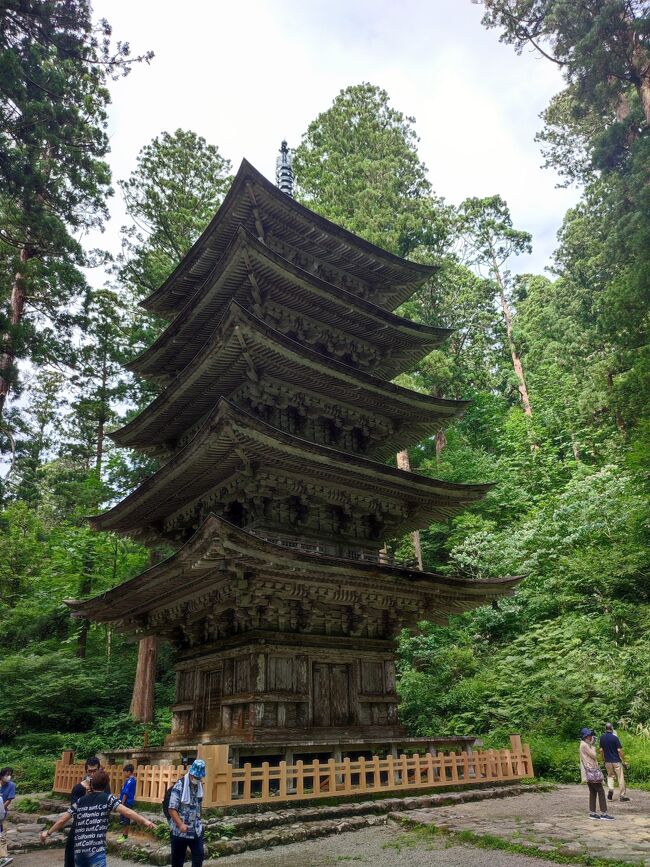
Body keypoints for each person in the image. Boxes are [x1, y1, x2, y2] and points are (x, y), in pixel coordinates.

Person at [40, 769, 154, 867]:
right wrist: (146, 821)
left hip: (79, 850)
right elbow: (127, 812)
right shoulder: (108, 799)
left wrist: (48, 833)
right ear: (106, 785)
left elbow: (62, 820)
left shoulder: (81, 801)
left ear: (91, 784)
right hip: (96, 850)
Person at [65, 756, 105, 867]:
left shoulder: (103, 788)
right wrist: (86, 796)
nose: (92, 774)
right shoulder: (78, 789)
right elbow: (74, 812)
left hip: (95, 833)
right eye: (90, 771)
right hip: (78, 831)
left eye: (95, 771)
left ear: (99, 769)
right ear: (86, 771)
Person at [167, 758, 206, 867]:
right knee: (177, 861)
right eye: (196, 777)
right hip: (180, 831)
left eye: (200, 777)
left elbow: (199, 804)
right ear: (191, 773)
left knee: (199, 857)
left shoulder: (199, 786)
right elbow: (171, 808)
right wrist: (180, 824)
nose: (198, 779)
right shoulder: (180, 785)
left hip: (195, 830)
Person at [580, 727, 614, 820]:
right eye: (589, 735)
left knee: (593, 792)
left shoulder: (584, 744)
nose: (591, 737)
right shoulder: (585, 745)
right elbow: (594, 756)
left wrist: (591, 744)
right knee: (601, 791)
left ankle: (592, 812)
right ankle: (604, 813)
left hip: (589, 771)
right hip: (591, 770)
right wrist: (593, 746)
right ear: (585, 737)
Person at [599, 722, 630, 802]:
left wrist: (603, 759)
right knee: (620, 778)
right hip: (616, 761)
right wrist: (624, 760)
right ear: (612, 728)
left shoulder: (602, 738)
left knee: (610, 776)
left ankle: (611, 789)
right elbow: (619, 750)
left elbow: (601, 750)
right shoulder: (615, 738)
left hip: (607, 761)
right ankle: (622, 796)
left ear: (605, 729)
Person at [116, 764, 137, 842]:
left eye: (124, 772)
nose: (124, 774)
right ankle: (124, 835)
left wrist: (122, 803)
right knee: (125, 819)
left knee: (126, 820)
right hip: (128, 802)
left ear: (128, 772)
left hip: (127, 802)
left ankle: (125, 836)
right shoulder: (132, 780)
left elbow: (125, 793)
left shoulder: (130, 781)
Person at [0, 768, 15, 867]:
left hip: (2, 813)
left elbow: (9, 800)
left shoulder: (11, 785)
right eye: (6, 774)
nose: (8, 776)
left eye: (10, 774)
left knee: (2, 834)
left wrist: (1, 808)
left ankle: (3, 857)